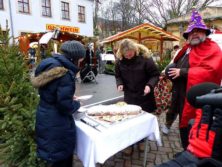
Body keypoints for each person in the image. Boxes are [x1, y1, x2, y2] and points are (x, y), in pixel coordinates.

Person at [164, 9, 222, 149]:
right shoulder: (186, 49)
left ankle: (191, 152)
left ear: (205, 33)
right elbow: (176, 64)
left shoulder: (212, 49)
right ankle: (186, 149)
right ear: (188, 35)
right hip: (179, 93)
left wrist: (182, 72)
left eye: (198, 30)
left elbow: (210, 71)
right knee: (183, 125)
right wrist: (168, 71)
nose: (194, 33)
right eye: (191, 31)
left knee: (194, 126)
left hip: (195, 98)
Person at [31, 40, 86, 167]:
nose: (81, 62)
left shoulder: (49, 65)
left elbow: (51, 92)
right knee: (62, 159)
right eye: (81, 59)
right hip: (57, 123)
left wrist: (68, 96)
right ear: (74, 58)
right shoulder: (65, 73)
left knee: (54, 159)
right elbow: (65, 106)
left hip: (45, 116)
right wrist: (76, 104)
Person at [115, 39, 160, 153]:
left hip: (144, 95)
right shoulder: (120, 61)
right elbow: (118, 75)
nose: (128, 56)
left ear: (135, 50)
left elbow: (155, 75)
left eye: (130, 53)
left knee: (142, 121)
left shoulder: (145, 59)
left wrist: (149, 85)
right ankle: (129, 143)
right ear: (122, 53)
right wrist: (120, 84)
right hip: (129, 95)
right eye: (126, 54)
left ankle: (141, 141)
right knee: (129, 120)